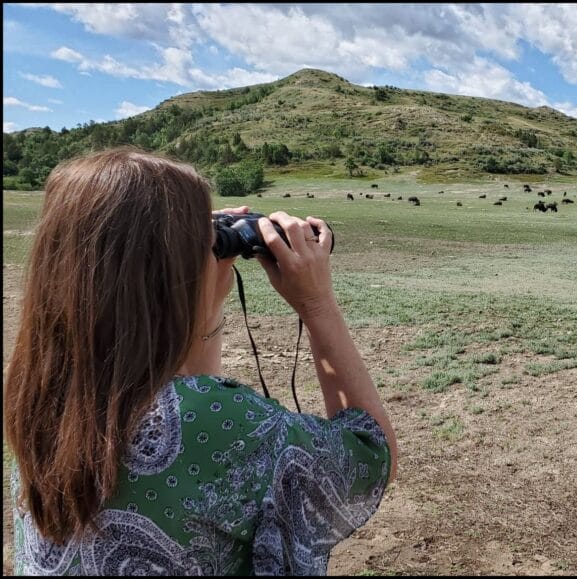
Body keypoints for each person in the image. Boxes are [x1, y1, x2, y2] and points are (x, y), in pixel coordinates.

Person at [4, 148, 397, 575]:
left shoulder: (42, 398)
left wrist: (204, 297)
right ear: (171, 271)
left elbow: (189, 396)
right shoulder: (216, 421)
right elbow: (370, 456)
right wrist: (317, 303)